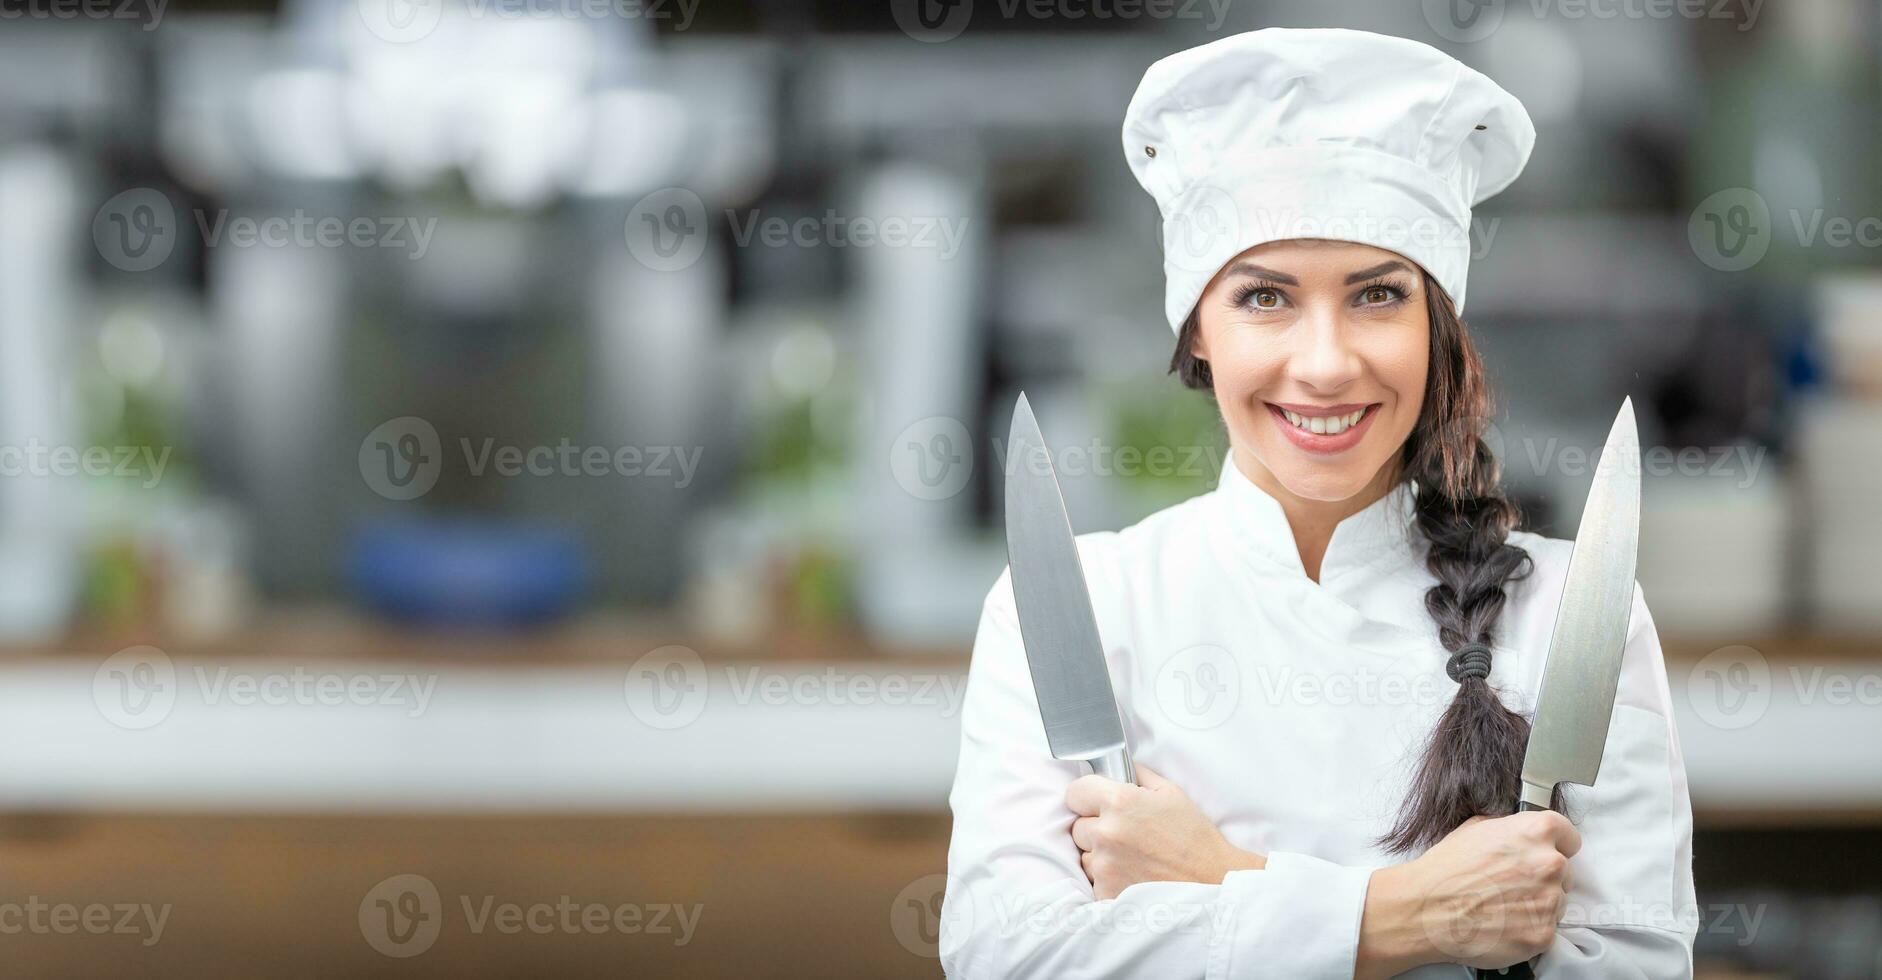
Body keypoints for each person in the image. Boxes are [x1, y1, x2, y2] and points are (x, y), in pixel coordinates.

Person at [940, 28, 1696, 979]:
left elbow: (1634, 968)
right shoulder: (1076, 608)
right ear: (1198, 330)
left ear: (1438, 331)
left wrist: (1220, 881)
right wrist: (1409, 918)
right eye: (1266, 299)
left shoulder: (1571, 615)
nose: (1329, 362)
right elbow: (1009, 959)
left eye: (1379, 295)